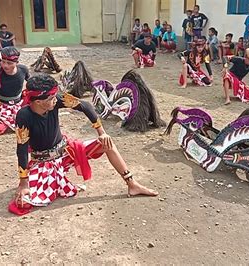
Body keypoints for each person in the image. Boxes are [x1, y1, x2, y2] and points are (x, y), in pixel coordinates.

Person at [9, 74, 158, 215]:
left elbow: (85, 106)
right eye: (52, 98)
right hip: (43, 163)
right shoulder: (24, 116)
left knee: (107, 142)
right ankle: (52, 179)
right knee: (25, 202)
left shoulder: (54, 101)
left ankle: (132, 184)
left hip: (68, 151)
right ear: (38, 101)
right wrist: (23, 183)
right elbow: (22, 150)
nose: (56, 100)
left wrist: (102, 133)